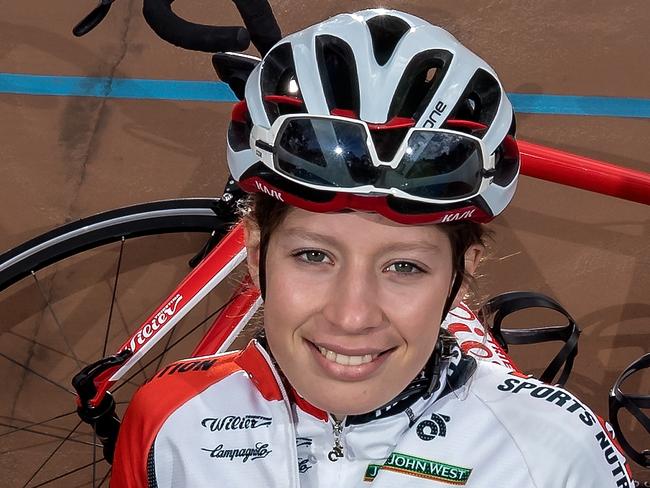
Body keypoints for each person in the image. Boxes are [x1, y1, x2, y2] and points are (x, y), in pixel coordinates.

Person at [110, 9, 633, 487]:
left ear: (461, 276)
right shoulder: (168, 425)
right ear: (254, 253)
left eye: (404, 266)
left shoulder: (555, 454)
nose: (352, 315)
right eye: (313, 256)